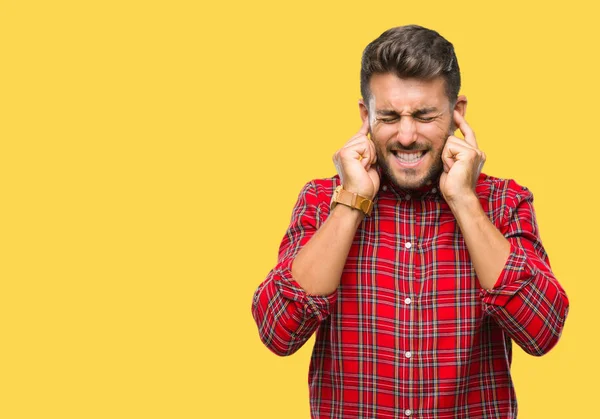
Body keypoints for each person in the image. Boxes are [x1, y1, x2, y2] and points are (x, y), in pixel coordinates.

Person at [251, 25, 569, 418]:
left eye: (424, 115)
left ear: (457, 114)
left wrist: (464, 200)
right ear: (365, 117)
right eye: (388, 116)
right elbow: (278, 332)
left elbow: (542, 332)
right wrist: (352, 203)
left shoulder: (503, 202)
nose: (405, 135)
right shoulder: (322, 202)